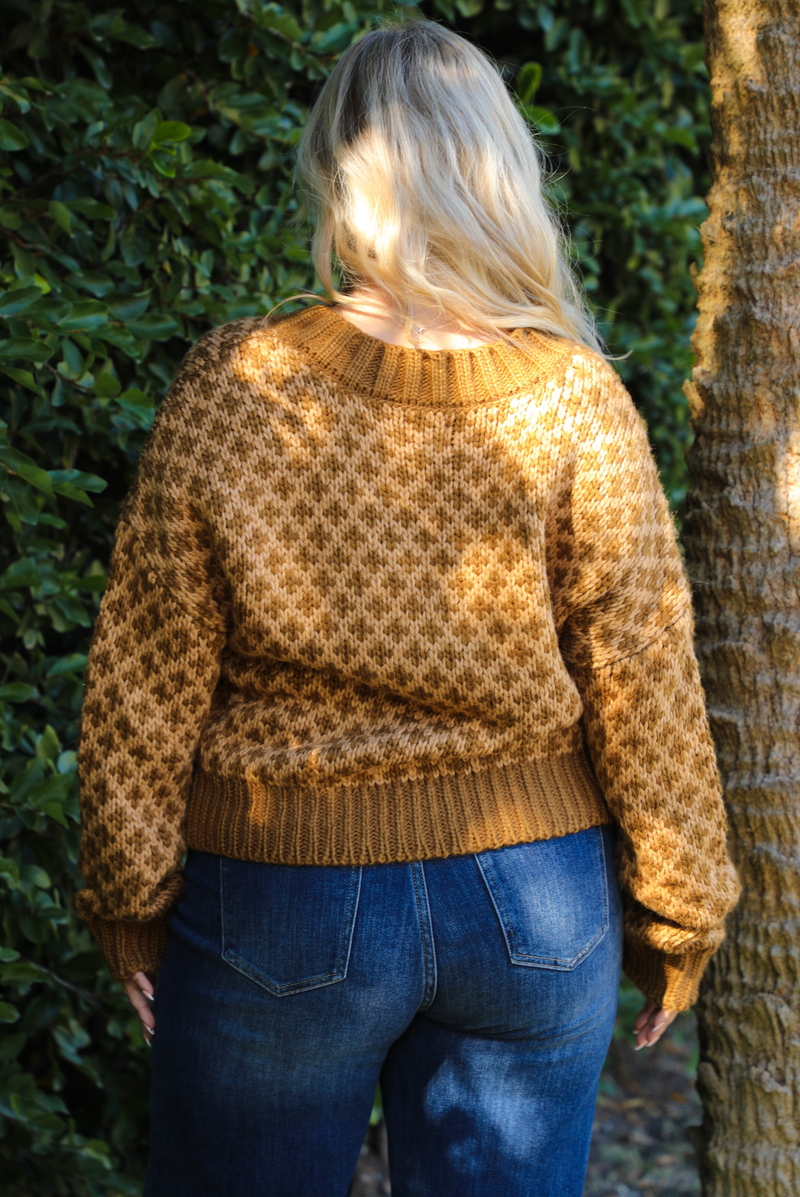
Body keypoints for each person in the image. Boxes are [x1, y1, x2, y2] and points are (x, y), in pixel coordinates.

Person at [74, 19, 740, 1197]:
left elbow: (148, 668)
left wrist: (129, 897)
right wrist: (678, 911)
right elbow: (641, 670)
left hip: (283, 894)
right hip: (533, 910)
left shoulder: (238, 385)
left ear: (338, 168)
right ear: (498, 169)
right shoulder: (574, 399)